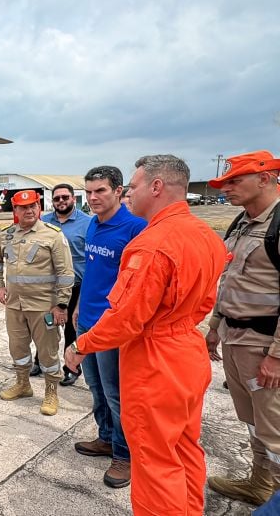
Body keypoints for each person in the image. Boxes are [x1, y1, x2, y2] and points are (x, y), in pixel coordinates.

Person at [66, 155, 226, 515]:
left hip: (156, 360)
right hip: (188, 351)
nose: (129, 195)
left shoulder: (150, 244)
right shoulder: (206, 235)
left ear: (156, 187)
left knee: (154, 461)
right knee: (184, 448)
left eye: (133, 187)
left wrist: (81, 345)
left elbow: (126, 318)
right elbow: (207, 300)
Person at [205, 150, 280, 506]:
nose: (226, 189)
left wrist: (277, 357)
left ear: (264, 179)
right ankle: (260, 484)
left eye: (234, 181)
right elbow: (228, 281)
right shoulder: (241, 222)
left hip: (265, 346)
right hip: (236, 339)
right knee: (252, 421)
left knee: (276, 430)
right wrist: (214, 327)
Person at [69, 166, 146, 488]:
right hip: (87, 320)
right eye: (88, 192)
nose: (93, 198)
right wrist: (76, 310)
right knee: (97, 389)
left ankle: (125, 455)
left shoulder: (135, 228)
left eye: (100, 190)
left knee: (117, 395)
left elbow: (136, 287)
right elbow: (92, 274)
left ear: (118, 191)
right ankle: (105, 438)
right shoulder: (94, 226)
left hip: (113, 327)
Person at [0, 190, 74, 415]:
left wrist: (62, 304)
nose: (28, 211)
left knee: (47, 352)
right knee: (17, 348)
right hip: (14, 306)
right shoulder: (6, 235)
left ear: (39, 208)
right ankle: (23, 384)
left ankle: (51, 391)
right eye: (23, 207)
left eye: (33, 206)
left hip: (43, 306)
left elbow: (66, 273)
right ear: (15, 210)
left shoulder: (53, 235)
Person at [34, 184, 92, 386]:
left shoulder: (88, 223)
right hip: (48, 287)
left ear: (73, 198)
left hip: (75, 286)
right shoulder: (43, 222)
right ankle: (40, 360)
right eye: (56, 198)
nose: (61, 201)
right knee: (44, 326)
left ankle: (71, 367)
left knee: (71, 329)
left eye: (64, 197)